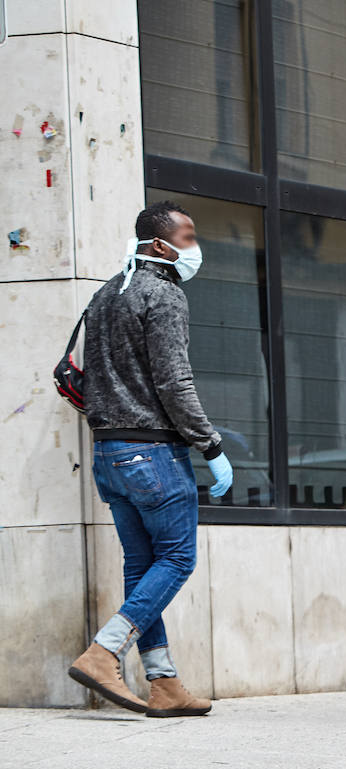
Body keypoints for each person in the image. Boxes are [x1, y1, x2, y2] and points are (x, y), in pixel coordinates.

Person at [67, 201, 232, 717]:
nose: (193, 246)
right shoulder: (163, 295)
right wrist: (211, 445)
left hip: (109, 453)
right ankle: (104, 652)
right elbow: (174, 382)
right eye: (187, 236)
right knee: (178, 559)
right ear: (159, 245)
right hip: (154, 454)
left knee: (142, 566)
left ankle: (162, 682)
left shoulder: (104, 294)